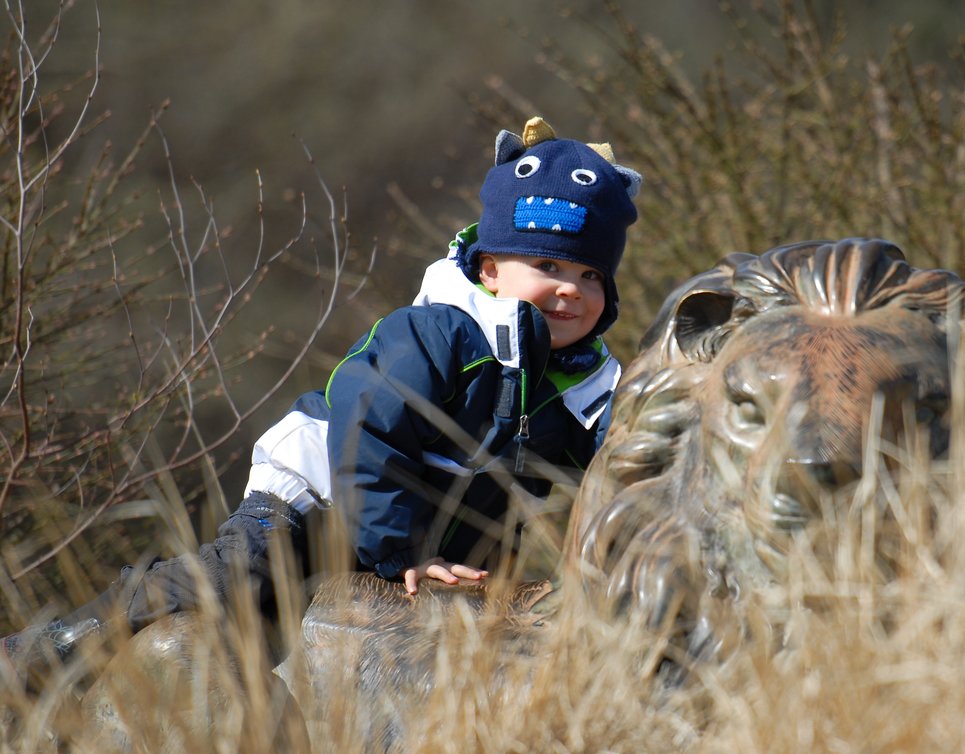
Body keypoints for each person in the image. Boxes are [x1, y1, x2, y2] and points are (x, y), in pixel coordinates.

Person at [1, 117, 641, 687]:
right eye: (548, 267)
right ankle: (52, 649)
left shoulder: (587, 384)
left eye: (589, 276)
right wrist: (402, 551)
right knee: (240, 582)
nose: (570, 292)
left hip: (454, 538)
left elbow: (629, 461)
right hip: (325, 493)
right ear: (491, 269)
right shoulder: (439, 334)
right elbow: (372, 434)